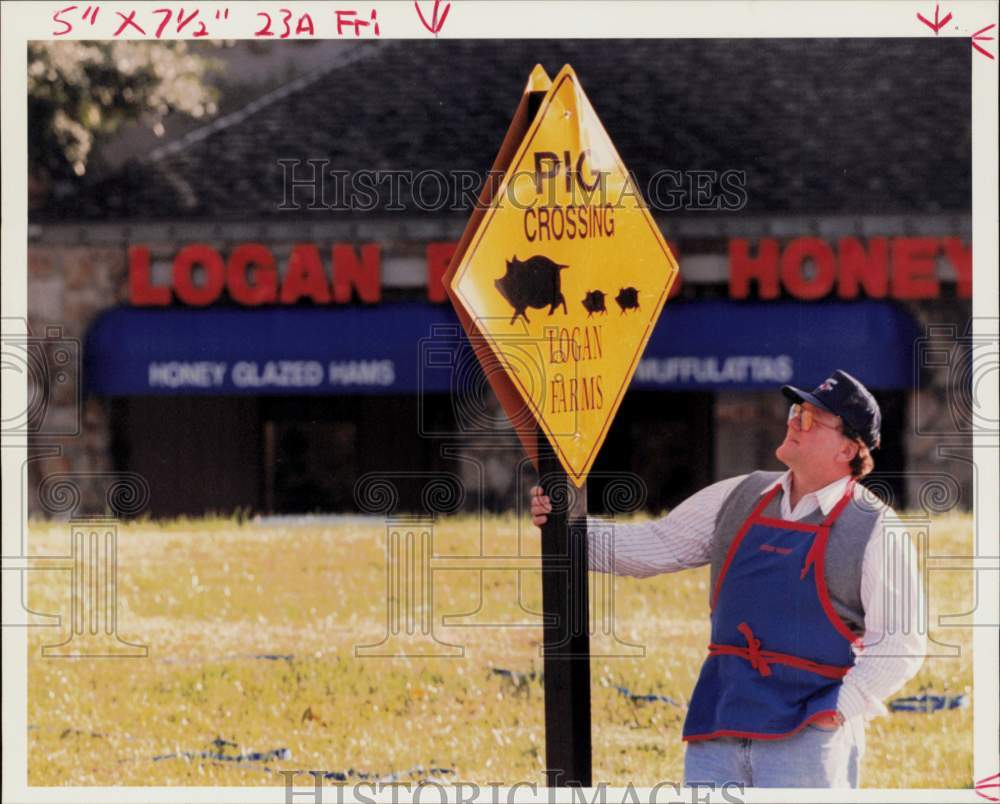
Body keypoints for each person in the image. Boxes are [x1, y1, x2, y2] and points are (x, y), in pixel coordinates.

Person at [530, 370, 925, 788]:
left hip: (807, 739)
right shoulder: (741, 495)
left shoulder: (876, 528)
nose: (793, 420)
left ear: (848, 448)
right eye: (796, 410)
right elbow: (655, 545)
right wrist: (565, 529)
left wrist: (836, 711)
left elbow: (902, 643)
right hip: (717, 726)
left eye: (810, 418)